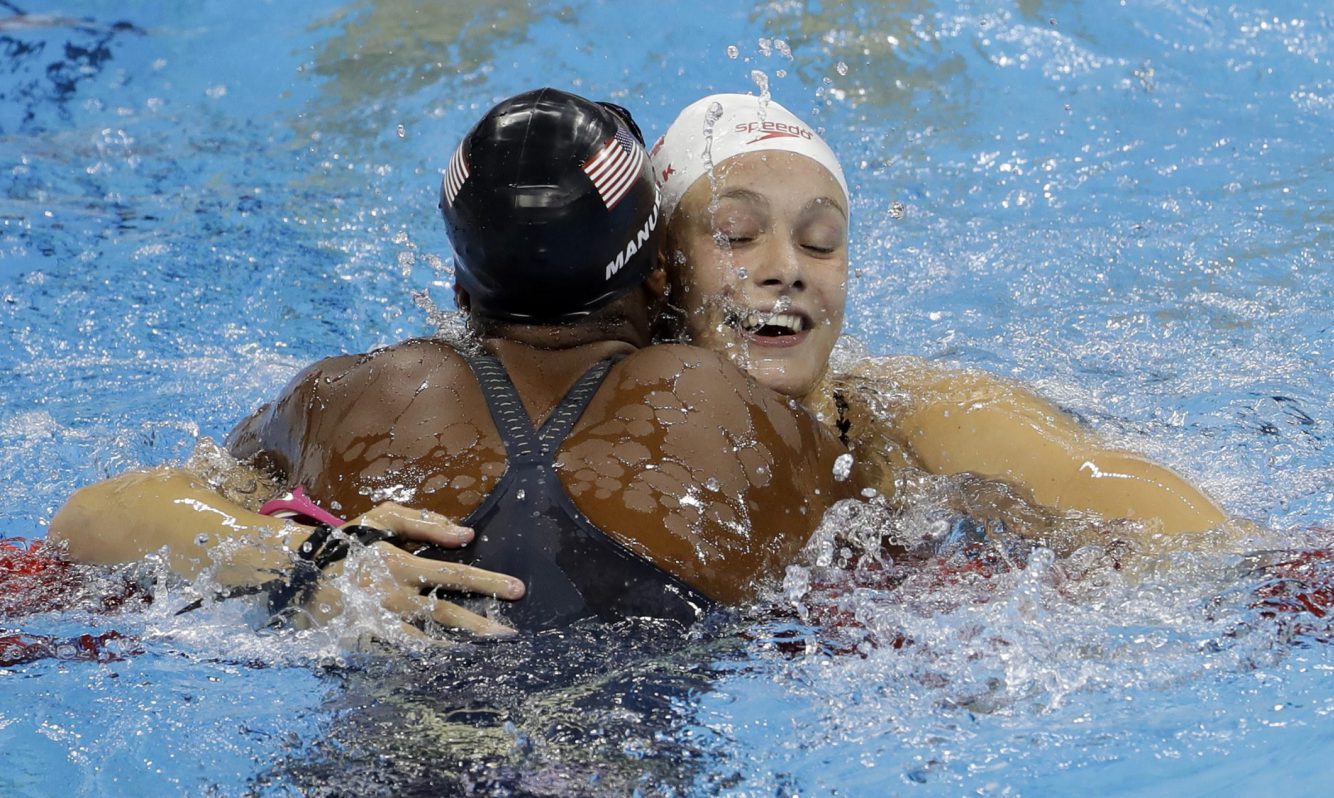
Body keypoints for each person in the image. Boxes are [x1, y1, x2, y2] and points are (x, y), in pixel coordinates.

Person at [48, 88, 854, 634]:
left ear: (460, 283)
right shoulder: (742, 416)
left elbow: (87, 523)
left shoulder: (356, 396)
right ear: (660, 275)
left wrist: (308, 558)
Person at [647, 93, 1233, 553]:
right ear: (662, 269)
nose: (787, 268)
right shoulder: (617, 425)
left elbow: (1156, 517)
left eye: (820, 243)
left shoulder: (912, 417)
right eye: (738, 236)